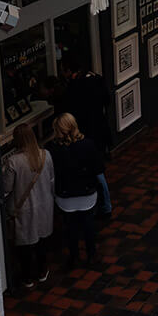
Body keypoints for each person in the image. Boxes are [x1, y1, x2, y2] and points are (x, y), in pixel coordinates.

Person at [2, 122, 55, 288]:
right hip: (44, 205)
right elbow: (52, 180)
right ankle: (42, 271)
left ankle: (27, 277)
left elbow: (6, 188)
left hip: (23, 209)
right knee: (42, 242)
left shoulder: (13, 162)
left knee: (24, 246)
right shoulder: (46, 155)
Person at [48, 113, 103, 269]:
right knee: (88, 224)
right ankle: (91, 254)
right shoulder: (88, 144)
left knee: (70, 226)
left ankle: (74, 257)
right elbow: (99, 168)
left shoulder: (53, 150)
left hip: (65, 196)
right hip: (86, 192)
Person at [59, 59, 112, 216]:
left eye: (63, 70)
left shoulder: (74, 87)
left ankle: (104, 204)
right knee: (98, 168)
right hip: (100, 130)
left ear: (69, 71)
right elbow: (107, 101)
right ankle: (105, 204)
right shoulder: (97, 79)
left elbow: (71, 109)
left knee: (96, 171)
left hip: (88, 132)